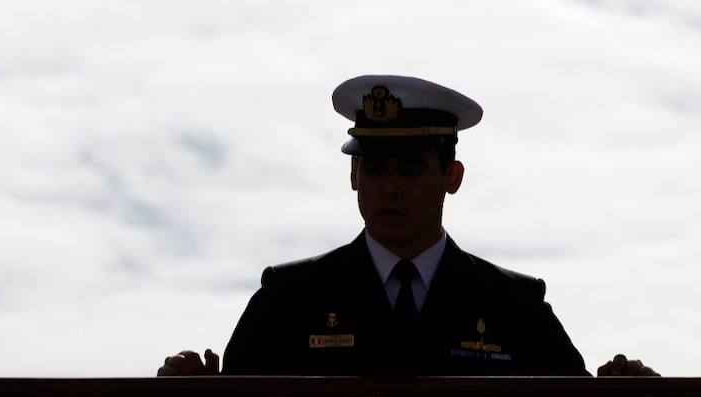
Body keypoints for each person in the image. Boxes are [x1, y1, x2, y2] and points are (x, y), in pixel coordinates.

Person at [158, 75, 657, 377]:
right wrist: (195, 395)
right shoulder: (289, 301)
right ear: (354, 176)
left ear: (452, 177)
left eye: (411, 170)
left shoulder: (514, 309)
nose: (390, 187)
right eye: (375, 169)